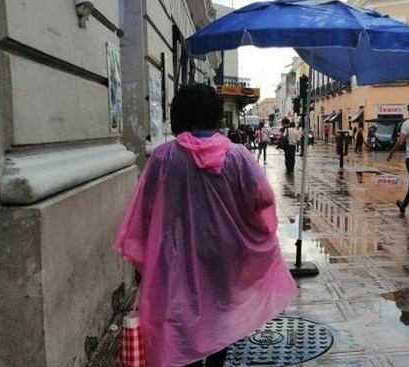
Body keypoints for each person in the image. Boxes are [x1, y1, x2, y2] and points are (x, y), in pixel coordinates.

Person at [114, 84, 297, 367]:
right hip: (224, 255)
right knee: (219, 316)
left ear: (179, 115)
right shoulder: (237, 156)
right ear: (216, 116)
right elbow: (263, 197)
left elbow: (146, 210)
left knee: (181, 317)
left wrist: (144, 256)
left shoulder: (163, 158)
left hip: (177, 256)